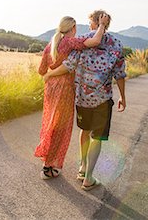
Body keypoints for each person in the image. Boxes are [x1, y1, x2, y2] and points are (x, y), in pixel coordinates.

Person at [43, 10, 126, 190]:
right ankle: (88, 177)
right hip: (103, 100)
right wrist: (123, 97)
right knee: (98, 137)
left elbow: (69, 65)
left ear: (94, 23)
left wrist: (50, 74)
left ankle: (82, 167)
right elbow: (120, 74)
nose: (89, 26)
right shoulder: (117, 44)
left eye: (90, 23)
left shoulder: (82, 41)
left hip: (82, 99)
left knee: (85, 131)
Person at [35, 15, 109, 179]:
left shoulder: (50, 45)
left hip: (50, 88)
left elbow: (41, 71)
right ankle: (49, 166)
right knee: (61, 127)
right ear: (73, 27)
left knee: (50, 123)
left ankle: (46, 162)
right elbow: (95, 41)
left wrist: (50, 73)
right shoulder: (69, 42)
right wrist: (102, 25)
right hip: (64, 89)